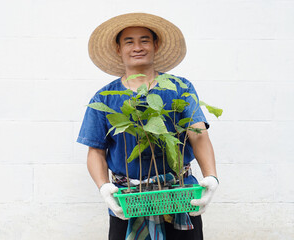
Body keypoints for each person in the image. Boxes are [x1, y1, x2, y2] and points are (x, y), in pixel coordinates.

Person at [77, 13, 219, 240]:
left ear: (156, 45)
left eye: (144, 40)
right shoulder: (104, 98)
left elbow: (197, 134)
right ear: (118, 49)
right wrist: (104, 188)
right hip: (128, 199)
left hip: (179, 193)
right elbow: (95, 151)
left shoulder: (178, 88)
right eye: (129, 41)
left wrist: (211, 177)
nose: (137, 47)